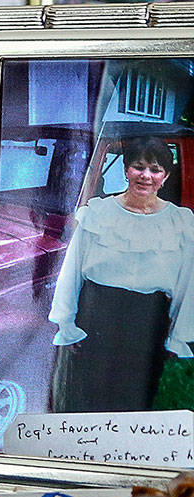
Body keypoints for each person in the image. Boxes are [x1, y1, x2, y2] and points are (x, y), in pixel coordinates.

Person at [48, 136, 194, 413]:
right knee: (86, 398)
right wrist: (67, 324)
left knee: (134, 401)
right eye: (138, 167)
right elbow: (72, 272)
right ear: (126, 170)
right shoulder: (97, 213)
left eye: (155, 169)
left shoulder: (181, 223)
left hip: (147, 322)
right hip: (96, 316)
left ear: (166, 176)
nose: (146, 176)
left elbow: (187, 282)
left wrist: (176, 335)